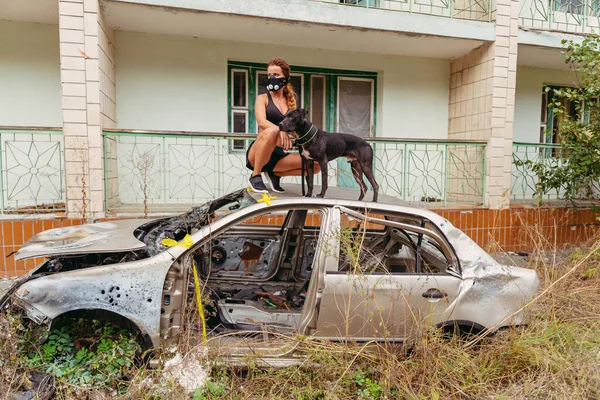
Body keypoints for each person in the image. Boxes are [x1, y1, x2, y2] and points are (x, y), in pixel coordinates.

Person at [245, 57, 320, 193]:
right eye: (269, 75)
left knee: (316, 165)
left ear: (285, 78)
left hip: (279, 155)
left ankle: (276, 174)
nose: (271, 77)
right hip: (258, 152)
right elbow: (261, 122)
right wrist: (281, 130)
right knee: (271, 132)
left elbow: (295, 128)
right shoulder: (262, 98)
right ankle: (255, 175)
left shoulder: (290, 102)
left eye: (276, 74)